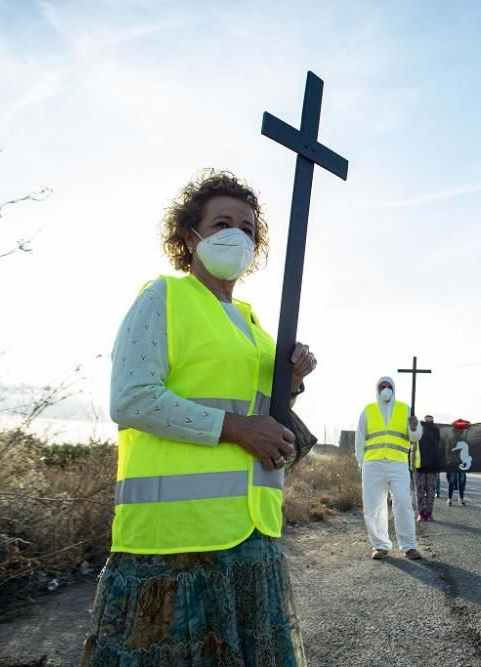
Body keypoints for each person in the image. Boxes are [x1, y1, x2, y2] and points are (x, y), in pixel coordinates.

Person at [81, 170, 317, 666]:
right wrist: (237, 430)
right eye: (222, 223)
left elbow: (262, 416)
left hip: (251, 536)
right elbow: (132, 399)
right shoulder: (163, 297)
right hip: (174, 546)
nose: (238, 235)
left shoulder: (253, 324)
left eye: (249, 228)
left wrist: (291, 381)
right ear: (190, 236)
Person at [355, 377, 424, 560]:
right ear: (377, 389)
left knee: (403, 502)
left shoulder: (405, 409)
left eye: (389, 387)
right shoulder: (368, 410)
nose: (386, 389)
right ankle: (380, 546)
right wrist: (361, 462)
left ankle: (409, 547)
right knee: (374, 505)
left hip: (398, 464)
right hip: (373, 464)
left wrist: (414, 427)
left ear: (394, 389)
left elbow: (415, 436)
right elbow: (360, 438)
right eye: (382, 387)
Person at [412, 415, 441, 521]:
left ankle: (428, 513)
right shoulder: (419, 430)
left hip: (432, 467)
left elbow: (440, 448)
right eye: (427, 420)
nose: (429, 422)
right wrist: (413, 465)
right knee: (422, 491)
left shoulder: (436, 431)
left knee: (429, 491)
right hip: (420, 466)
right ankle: (422, 513)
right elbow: (414, 448)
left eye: (430, 420)